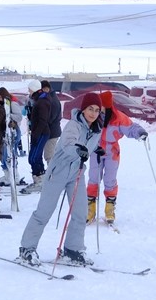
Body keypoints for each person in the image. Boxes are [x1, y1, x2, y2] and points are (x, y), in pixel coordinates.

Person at [18, 92, 105, 267]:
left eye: (96, 110)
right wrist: (79, 149)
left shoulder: (96, 128)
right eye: (90, 109)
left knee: (80, 213)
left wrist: (95, 149)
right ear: (83, 109)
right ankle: (27, 249)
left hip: (77, 174)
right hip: (57, 172)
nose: (93, 113)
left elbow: (89, 142)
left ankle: (73, 249)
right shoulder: (73, 125)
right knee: (44, 212)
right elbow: (68, 143)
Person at [88, 90, 148, 223]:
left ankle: (109, 209)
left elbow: (131, 127)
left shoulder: (118, 117)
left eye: (101, 104)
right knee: (93, 178)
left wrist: (140, 132)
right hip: (95, 151)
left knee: (110, 179)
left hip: (112, 153)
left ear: (107, 105)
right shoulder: (93, 116)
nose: (98, 107)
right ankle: (90, 209)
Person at [23, 79, 50, 191]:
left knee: (33, 158)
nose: (29, 91)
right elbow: (36, 117)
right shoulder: (38, 100)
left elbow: (43, 120)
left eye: (30, 89)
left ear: (34, 89)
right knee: (34, 157)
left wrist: (36, 135)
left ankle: (39, 180)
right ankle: (40, 178)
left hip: (41, 133)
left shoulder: (42, 101)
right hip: (38, 132)